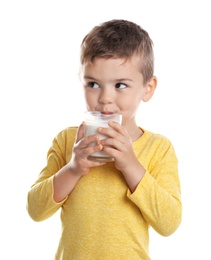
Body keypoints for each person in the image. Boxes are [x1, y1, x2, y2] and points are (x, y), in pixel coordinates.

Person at [27, 19, 182, 260]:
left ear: (148, 88)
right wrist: (73, 168)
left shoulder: (158, 148)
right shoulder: (67, 141)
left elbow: (169, 223)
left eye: (120, 85)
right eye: (93, 84)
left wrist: (131, 164)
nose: (105, 98)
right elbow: (35, 210)